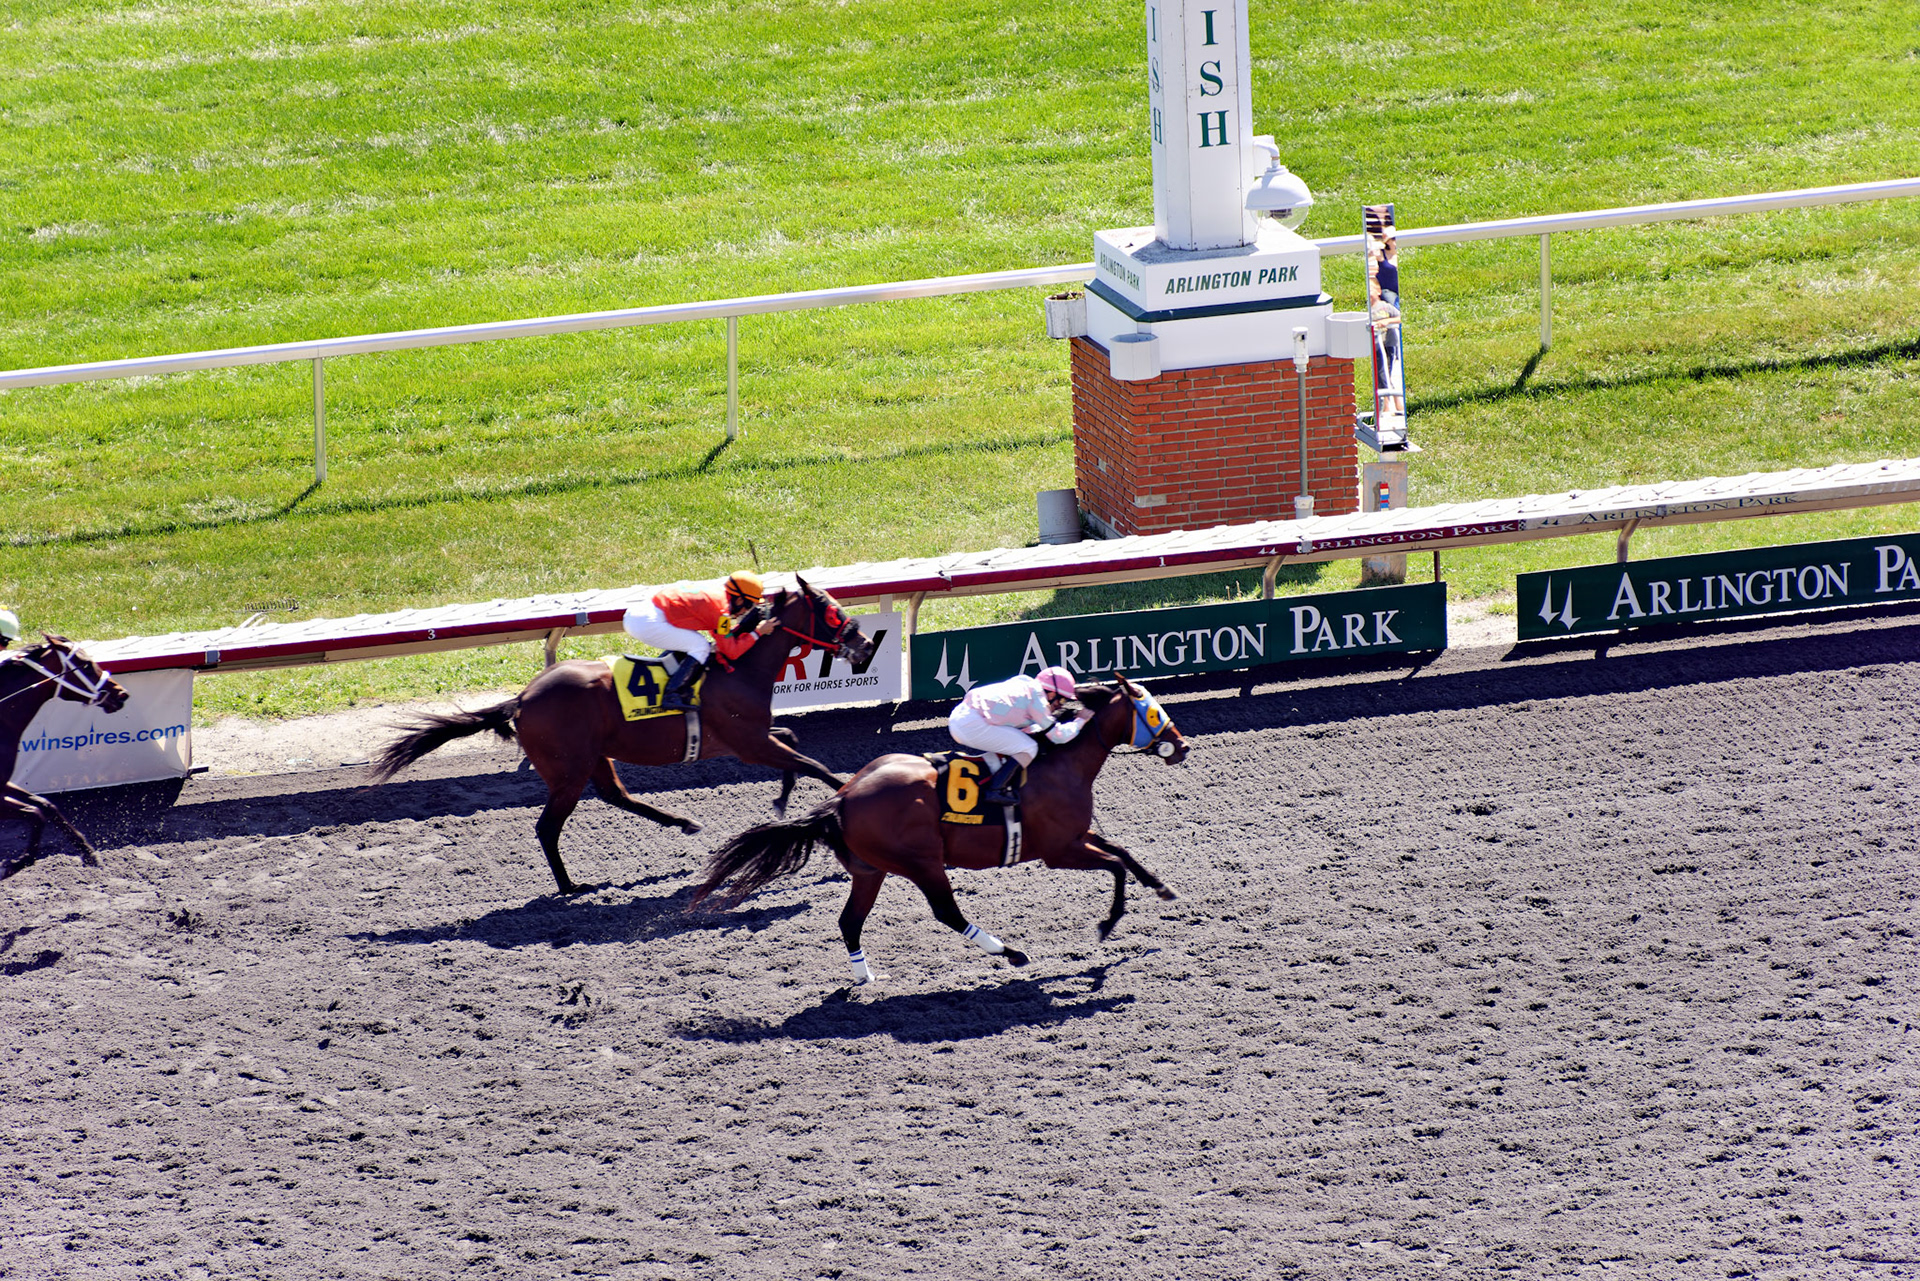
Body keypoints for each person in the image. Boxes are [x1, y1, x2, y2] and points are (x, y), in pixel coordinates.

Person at [621, 572, 776, 710]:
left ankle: (669, 677)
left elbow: (721, 638)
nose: (745, 611)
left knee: (694, 642)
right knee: (700, 646)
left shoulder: (718, 595)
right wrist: (758, 632)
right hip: (646, 621)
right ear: (740, 600)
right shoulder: (722, 613)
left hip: (640, 612)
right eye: (749, 605)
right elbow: (732, 652)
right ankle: (673, 694)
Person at [948, 666, 1093, 806]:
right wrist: (1081, 720)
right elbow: (1058, 736)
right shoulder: (1038, 700)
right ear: (1051, 694)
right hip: (969, 725)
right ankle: (995, 789)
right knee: (1029, 748)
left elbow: (1027, 727)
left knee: (1020, 741)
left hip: (961, 715)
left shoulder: (1025, 683)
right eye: (1062, 700)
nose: (1061, 706)